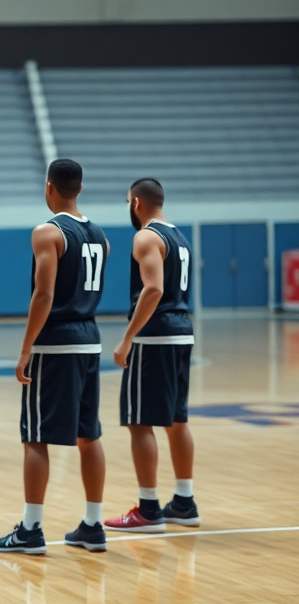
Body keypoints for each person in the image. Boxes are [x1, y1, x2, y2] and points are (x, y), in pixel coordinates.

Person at [0, 159, 110, 555]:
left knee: (35, 436)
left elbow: (44, 293)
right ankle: (93, 524)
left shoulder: (48, 232)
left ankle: (31, 529)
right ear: (79, 188)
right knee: (89, 434)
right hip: (90, 338)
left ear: (49, 187)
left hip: (56, 341)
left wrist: (26, 349)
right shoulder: (100, 235)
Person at [107, 178, 200, 532]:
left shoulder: (145, 236)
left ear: (135, 203)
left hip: (155, 335)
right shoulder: (179, 235)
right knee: (177, 420)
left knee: (139, 420)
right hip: (182, 331)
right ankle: (184, 501)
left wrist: (127, 338)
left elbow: (154, 288)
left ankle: (148, 510)